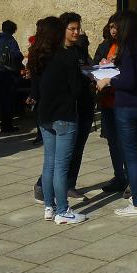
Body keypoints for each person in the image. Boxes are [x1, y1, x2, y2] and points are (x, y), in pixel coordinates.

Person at [28, 16, 87, 224]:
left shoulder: (36, 55)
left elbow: (35, 87)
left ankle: (49, 207)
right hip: (64, 115)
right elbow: (76, 90)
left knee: (49, 164)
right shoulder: (66, 56)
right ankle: (62, 210)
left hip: (45, 116)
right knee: (61, 167)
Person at [96, 10, 137, 217]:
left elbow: (128, 80)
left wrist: (108, 80)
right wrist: (112, 65)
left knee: (131, 156)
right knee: (135, 155)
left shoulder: (129, 48)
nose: (114, 30)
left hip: (126, 106)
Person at [61, 12, 94, 201]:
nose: (76, 32)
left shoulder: (79, 50)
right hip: (68, 108)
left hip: (84, 104)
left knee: (78, 148)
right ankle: (45, 185)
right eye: (72, 29)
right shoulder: (59, 53)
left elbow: (87, 67)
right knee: (64, 151)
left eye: (78, 28)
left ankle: (70, 184)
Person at [93, 16, 126, 192]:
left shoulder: (128, 47)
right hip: (107, 101)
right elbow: (95, 64)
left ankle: (129, 176)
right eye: (111, 27)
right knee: (112, 142)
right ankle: (119, 176)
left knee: (125, 142)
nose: (113, 30)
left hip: (122, 100)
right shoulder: (105, 45)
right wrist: (99, 65)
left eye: (116, 27)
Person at [0, 19, 24, 133]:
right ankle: (7, 126)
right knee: (9, 100)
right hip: (9, 74)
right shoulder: (11, 41)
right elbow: (17, 55)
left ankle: (4, 125)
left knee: (3, 100)